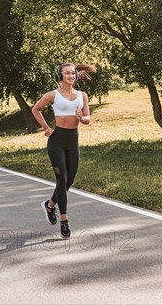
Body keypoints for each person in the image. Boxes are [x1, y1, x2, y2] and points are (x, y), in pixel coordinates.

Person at [31, 62, 96, 238]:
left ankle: (50, 205)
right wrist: (45, 127)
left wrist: (82, 118)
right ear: (60, 75)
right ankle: (64, 220)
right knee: (61, 179)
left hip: (73, 140)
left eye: (73, 73)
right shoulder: (52, 95)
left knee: (70, 180)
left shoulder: (82, 95)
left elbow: (88, 118)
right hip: (56, 141)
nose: (71, 76)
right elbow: (36, 109)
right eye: (67, 73)